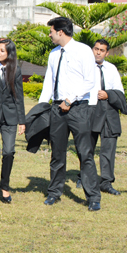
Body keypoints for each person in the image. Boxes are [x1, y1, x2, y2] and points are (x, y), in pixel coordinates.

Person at [39, 17, 101, 211]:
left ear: (60, 32)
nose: (49, 35)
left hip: (78, 108)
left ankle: (93, 197)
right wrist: (41, 107)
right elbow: (49, 82)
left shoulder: (83, 50)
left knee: (85, 152)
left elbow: (89, 81)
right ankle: (54, 192)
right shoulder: (54, 54)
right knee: (57, 153)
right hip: (57, 109)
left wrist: (70, 100)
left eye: (51, 31)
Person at [82, 39, 127, 196]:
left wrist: (108, 94)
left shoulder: (111, 69)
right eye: (96, 49)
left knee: (108, 148)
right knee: (87, 146)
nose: (98, 52)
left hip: (108, 111)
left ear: (107, 53)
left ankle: (106, 182)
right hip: (90, 109)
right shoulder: (85, 66)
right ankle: (84, 177)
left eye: (102, 50)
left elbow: (120, 91)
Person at [0, 39, 25, 205]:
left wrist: (22, 121)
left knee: (8, 152)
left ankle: (4, 186)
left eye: (2, 50)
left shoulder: (16, 71)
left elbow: (19, 97)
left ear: (10, 53)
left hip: (10, 118)